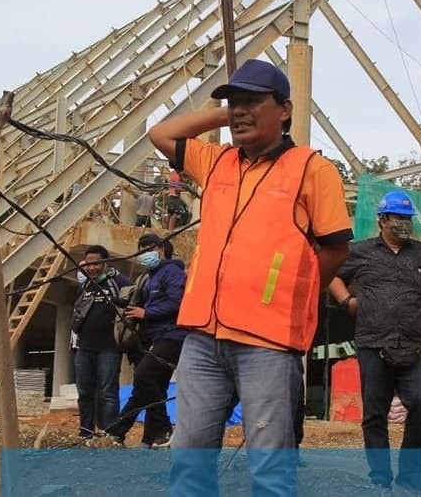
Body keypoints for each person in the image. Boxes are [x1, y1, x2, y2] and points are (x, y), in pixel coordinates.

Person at [148, 59, 353, 497]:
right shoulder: (217, 162)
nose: (239, 111)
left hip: (269, 341)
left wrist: (302, 291)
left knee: (270, 469)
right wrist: (229, 114)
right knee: (189, 458)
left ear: (284, 110)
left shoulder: (311, 169)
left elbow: (336, 245)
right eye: (233, 103)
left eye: (251, 102)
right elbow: (161, 133)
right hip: (203, 336)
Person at [329, 190, 421, 494]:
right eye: (399, 219)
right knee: (375, 413)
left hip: (415, 343)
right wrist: (346, 301)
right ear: (382, 220)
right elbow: (332, 275)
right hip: (372, 342)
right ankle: (380, 475)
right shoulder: (360, 251)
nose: (404, 224)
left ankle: (410, 474)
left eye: (408, 219)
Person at [107, 234, 186, 447]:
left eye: (148, 249)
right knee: (153, 388)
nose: (144, 254)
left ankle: (162, 427)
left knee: (143, 377)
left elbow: (176, 302)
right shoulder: (149, 277)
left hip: (172, 335)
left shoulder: (171, 272)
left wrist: (146, 313)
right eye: (141, 250)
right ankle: (146, 437)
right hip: (155, 336)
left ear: (161, 250)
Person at [70, 245, 131, 441]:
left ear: (105, 263)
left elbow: (131, 303)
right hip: (84, 347)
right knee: (84, 391)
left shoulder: (119, 281)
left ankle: (110, 433)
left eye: (96, 263)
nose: (91, 268)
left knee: (108, 392)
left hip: (109, 348)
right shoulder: (84, 285)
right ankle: (86, 432)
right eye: (88, 264)